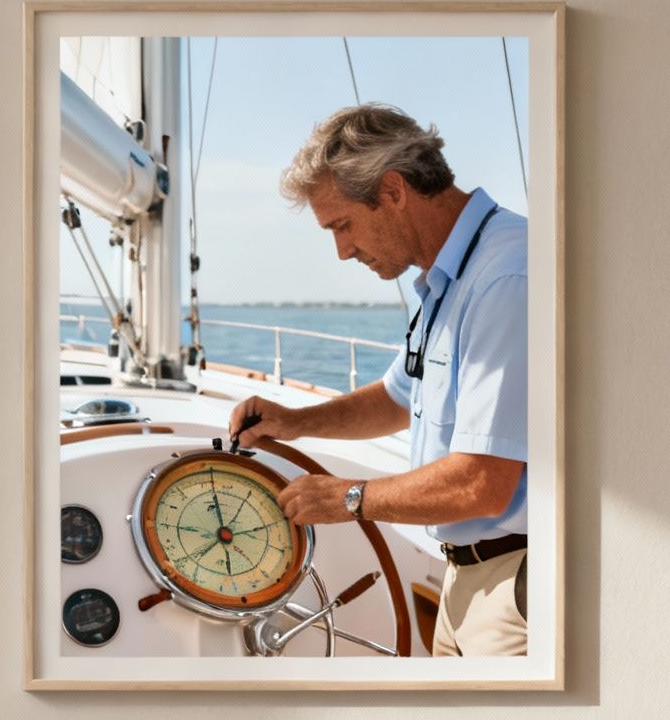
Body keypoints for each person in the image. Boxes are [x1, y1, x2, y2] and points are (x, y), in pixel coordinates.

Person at [227, 104, 529, 656]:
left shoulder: (507, 276)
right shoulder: (449, 276)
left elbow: (483, 482)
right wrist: (293, 422)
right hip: (467, 583)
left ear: (392, 191)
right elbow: (398, 397)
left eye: (342, 225)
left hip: (514, 589)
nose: (342, 251)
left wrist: (348, 499)